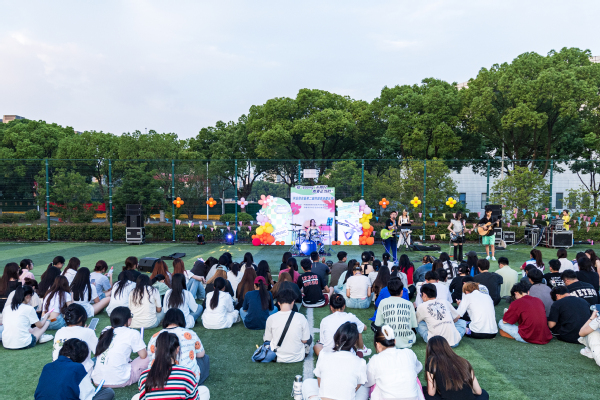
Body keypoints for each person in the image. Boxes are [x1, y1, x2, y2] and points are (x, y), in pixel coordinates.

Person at [301, 322, 369, 400]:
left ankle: (313, 398)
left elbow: (320, 384)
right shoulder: (361, 362)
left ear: (336, 337)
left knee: (307, 382)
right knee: (364, 389)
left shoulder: (323, 355)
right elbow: (354, 389)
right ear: (355, 342)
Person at [36, 338, 116, 400]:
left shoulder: (47, 366)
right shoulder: (77, 368)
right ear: (82, 356)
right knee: (108, 392)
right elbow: (88, 396)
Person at [138, 331, 209, 400]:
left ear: (156, 349)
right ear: (177, 349)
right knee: (204, 390)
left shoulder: (144, 375)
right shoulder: (188, 374)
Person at [147, 309, 210, 385]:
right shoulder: (190, 333)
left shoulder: (155, 336)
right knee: (205, 358)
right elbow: (201, 354)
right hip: (187, 379)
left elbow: (150, 356)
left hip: (156, 378)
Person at [92, 306, 149, 388]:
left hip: (97, 380)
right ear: (129, 320)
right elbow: (143, 356)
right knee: (150, 356)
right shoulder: (133, 333)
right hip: (120, 380)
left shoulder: (106, 330)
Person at [365, 324, 422, 400]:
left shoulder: (375, 359)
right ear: (395, 341)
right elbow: (419, 367)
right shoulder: (409, 353)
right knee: (415, 379)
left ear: (378, 345)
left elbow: (368, 382)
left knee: (377, 383)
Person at [423, 336, 489, 400]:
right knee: (484, 393)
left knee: (424, 391)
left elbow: (431, 393)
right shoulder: (463, 361)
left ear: (429, 349)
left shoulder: (432, 361)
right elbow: (478, 392)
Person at [264, 289, 311, 363]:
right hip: (297, 357)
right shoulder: (301, 317)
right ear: (293, 302)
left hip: (276, 357)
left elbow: (268, 339)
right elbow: (304, 340)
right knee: (309, 337)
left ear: (278, 303)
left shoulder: (271, 318)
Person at [52, 304, 98, 375]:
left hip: (59, 372)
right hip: (80, 374)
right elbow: (98, 351)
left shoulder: (59, 331)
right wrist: (89, 333)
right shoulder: (88, 332)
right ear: (80, 318)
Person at [375, 277, 417, 349]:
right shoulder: (409, 304)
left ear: (389, 291)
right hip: (407, 341)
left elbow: (378, 323)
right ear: (401, 292)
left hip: (389, 340)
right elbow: (413, 325)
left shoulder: (383, 302)